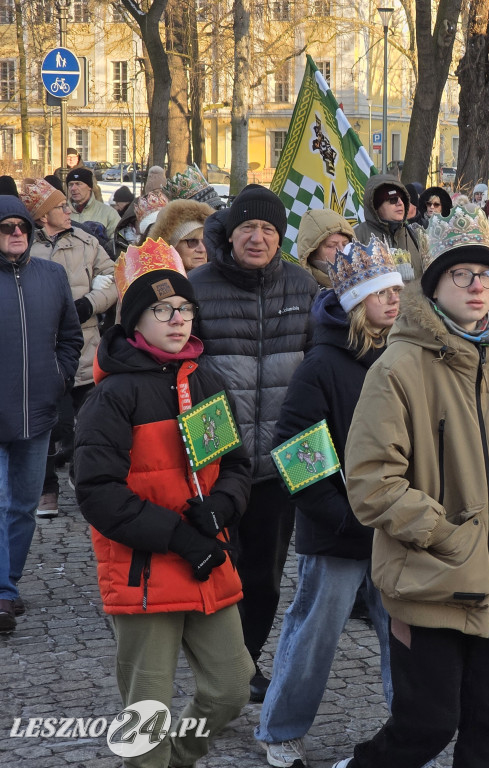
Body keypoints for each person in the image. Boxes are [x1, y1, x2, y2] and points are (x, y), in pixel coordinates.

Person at [332, 205, 489, 768]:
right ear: (434, 285)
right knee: (426, 725)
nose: (478, 287)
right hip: (429, 581)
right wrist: (447, 536)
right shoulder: (398, 369)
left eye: (486, 275)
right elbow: (372, 481)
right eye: (462, 275)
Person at [74, 238, 253, 768]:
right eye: (161, 310)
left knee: (231, 689)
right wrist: (178, 536)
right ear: (135, 322)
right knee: (147, 712)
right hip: (144, 569)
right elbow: (97, 493)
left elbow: (237, 466)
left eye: (184, 308)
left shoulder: (206, 380)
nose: (177, 319)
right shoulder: (113, 396)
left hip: (207, 562)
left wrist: (221, 507)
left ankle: (178, 759)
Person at [254, 239, 402, 768]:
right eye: (380, 292)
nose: (392, 300)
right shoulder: (320, 364)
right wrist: (341, 517)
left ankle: (409, 733)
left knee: (404, 636)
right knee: (314, 632)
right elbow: (296, 451)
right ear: (357, 301)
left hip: (398, 528)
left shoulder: (408, 358)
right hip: (337, 529)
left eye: (396, 290)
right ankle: (281, 730)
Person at [189, 184, 319, 702]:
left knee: (264, 577)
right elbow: (186, 370)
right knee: (216, 568)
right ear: (230, 232)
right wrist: (205, 452)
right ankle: (217, 671)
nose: (258, 237)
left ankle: (244, 666)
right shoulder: (196, 285)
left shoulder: (303, 286)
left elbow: (317, 367)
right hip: (219, 460)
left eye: (268, 228)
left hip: (279, 463)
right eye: (248, 227)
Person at [0, 197, 82, 634]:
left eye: (23, 227)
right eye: (6, 226)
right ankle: (2, 594)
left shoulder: (51, 275)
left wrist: (59, 377)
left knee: (24, 507)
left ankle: (7, 585)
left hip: (38, 411)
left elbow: (70, 338)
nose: (16, 233)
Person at [22, 177, 117, 518]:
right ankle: (47, 489)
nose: (67, 210)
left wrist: (89, 304)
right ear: (43, 215)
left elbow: (113, 277)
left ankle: (83, 475)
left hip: (88, 347)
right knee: (50, 424)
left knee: (91, 422)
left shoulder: (87, 241)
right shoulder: (27, 246)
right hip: (42, 351)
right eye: (60, 207)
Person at [354, 175, 426, 282]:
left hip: (413, 298)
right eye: (392, 200)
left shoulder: (414, 234)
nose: (400, 203)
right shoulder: (357, 237)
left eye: (402, 198)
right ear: (376, 206)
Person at [293, 207, 355, 289]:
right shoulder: (304, 290)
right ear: (312, 253)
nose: (342, 250)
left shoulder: (372, 278)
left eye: (345, 244)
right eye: (331, 245)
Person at [148, 198, 216, 273]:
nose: (202, 249)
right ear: (171, 246)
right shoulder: (158, 282)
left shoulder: (220, 280)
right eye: (192, 241)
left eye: (206, 241)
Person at [66, 166, 120, 237]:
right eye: (70, 184)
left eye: (78, 184)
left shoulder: (108, 213)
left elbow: (117, 242)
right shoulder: (62, 212)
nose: (73, 188)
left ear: (89, 187)